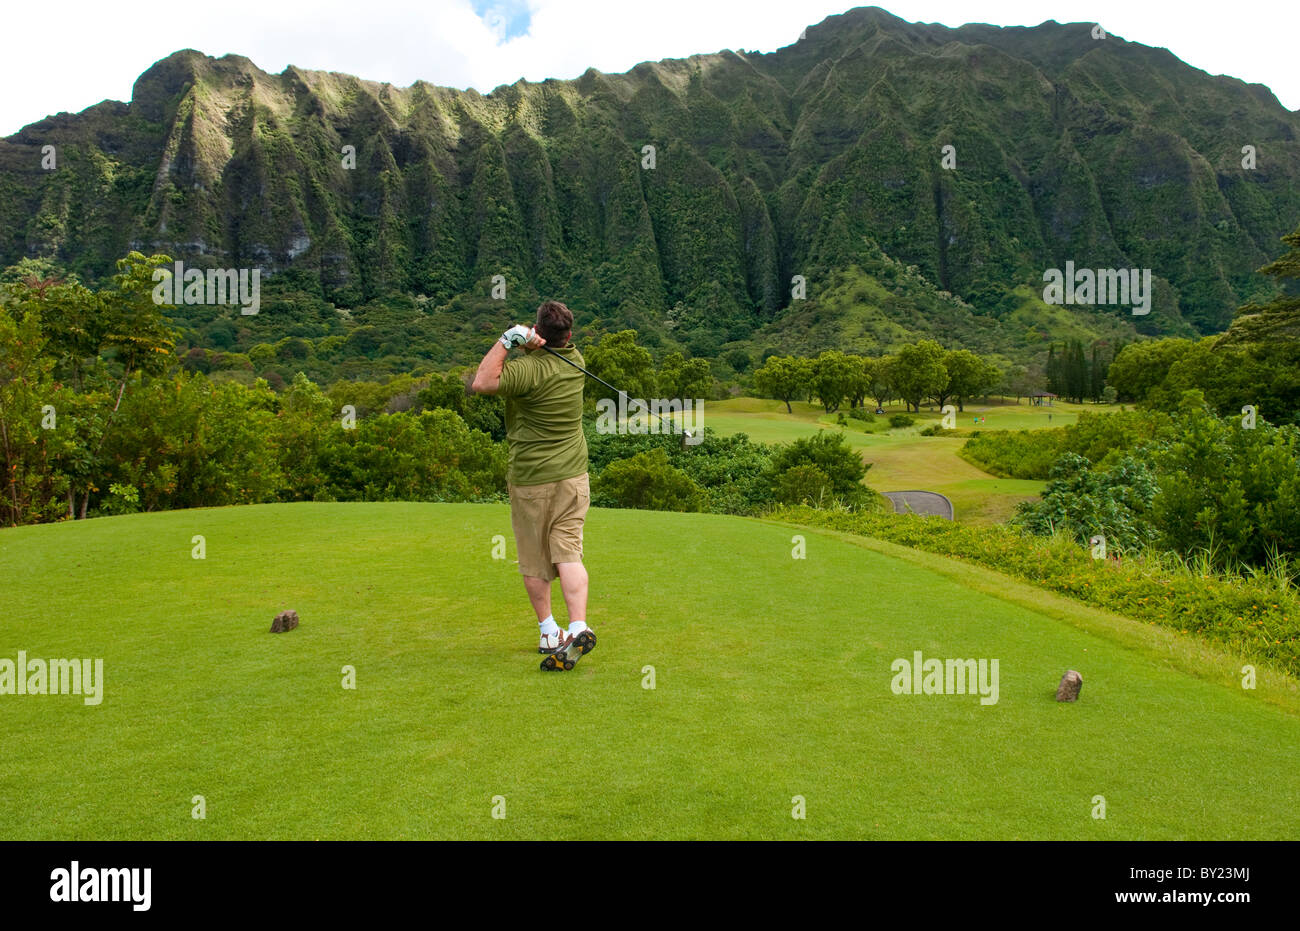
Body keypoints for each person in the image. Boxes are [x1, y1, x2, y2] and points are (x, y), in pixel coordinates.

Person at [469, 300, 593, 660]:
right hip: (573, 476)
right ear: (569, 335)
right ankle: (579, 627)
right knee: (568, 553)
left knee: (535, 561)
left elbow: (482, 382)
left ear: (538, 332)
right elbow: (552, 343)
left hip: (531, 480)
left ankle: (549, 632)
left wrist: (509, 339)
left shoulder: (527, 372)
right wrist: (532, 340)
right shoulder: (577, 363)